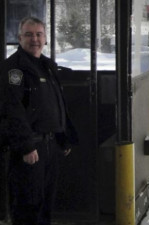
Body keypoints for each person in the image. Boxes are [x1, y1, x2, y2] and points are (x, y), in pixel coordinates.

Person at [0, 16, 78, 225]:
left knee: (45, 204)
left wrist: (62, 136)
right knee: (28, 206)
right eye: (28, 35)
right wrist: (26, 146)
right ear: (19, 38)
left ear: (45, 38)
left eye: (38, 34)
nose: (34, 39)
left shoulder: (47, 65)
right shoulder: (13, 69)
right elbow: (12, 111)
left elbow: (55, 105)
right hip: (29, 149)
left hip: (50, 146)